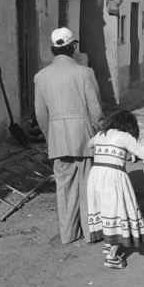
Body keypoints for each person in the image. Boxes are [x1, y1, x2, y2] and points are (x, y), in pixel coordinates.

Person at [34, 27, 103, 244]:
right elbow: (96, 110)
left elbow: (40, 114)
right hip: (84, 137)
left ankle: (68, 233)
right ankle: (91, 232)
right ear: (73, 47)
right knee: (87, 185)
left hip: (58, 139)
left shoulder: (41, 77)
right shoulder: (85, 73)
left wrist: (50, 137)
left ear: (53, 49)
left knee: (64, 188)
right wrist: (100, 132)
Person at [86, 110, 144, 269]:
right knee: (118, 211)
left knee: (104, 210)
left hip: (96, 175)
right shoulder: (125, 136)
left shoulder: (102, 134)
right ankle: (111, 257)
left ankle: (108, 244)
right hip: (113, 177)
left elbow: (89, 145)